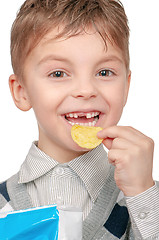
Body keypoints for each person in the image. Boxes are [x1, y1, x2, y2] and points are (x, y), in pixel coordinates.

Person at [0, 0, 159, 239]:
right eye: (58, 73)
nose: (86, 90)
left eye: (104, 72)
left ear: (126, 86)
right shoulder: (3, 206)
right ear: (21, 91)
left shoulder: (147, 199)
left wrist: (142, 194)